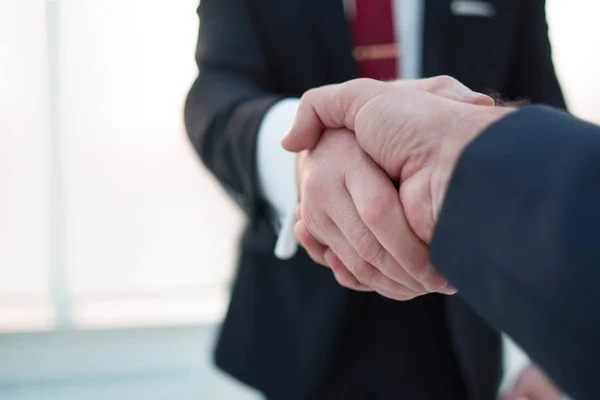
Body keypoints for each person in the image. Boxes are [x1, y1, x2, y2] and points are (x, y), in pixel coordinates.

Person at [184, 0, 565, 398]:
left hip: (460, 315)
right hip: (298, 316)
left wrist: (555, 350)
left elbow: (543, 116)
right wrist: (303, 153)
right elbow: (216, 92)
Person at [282, 76, 600, 400]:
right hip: (303, 331)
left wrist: (545, 356)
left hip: (472, 333)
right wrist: (304, 158)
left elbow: (540, 95)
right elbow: (229, 91)